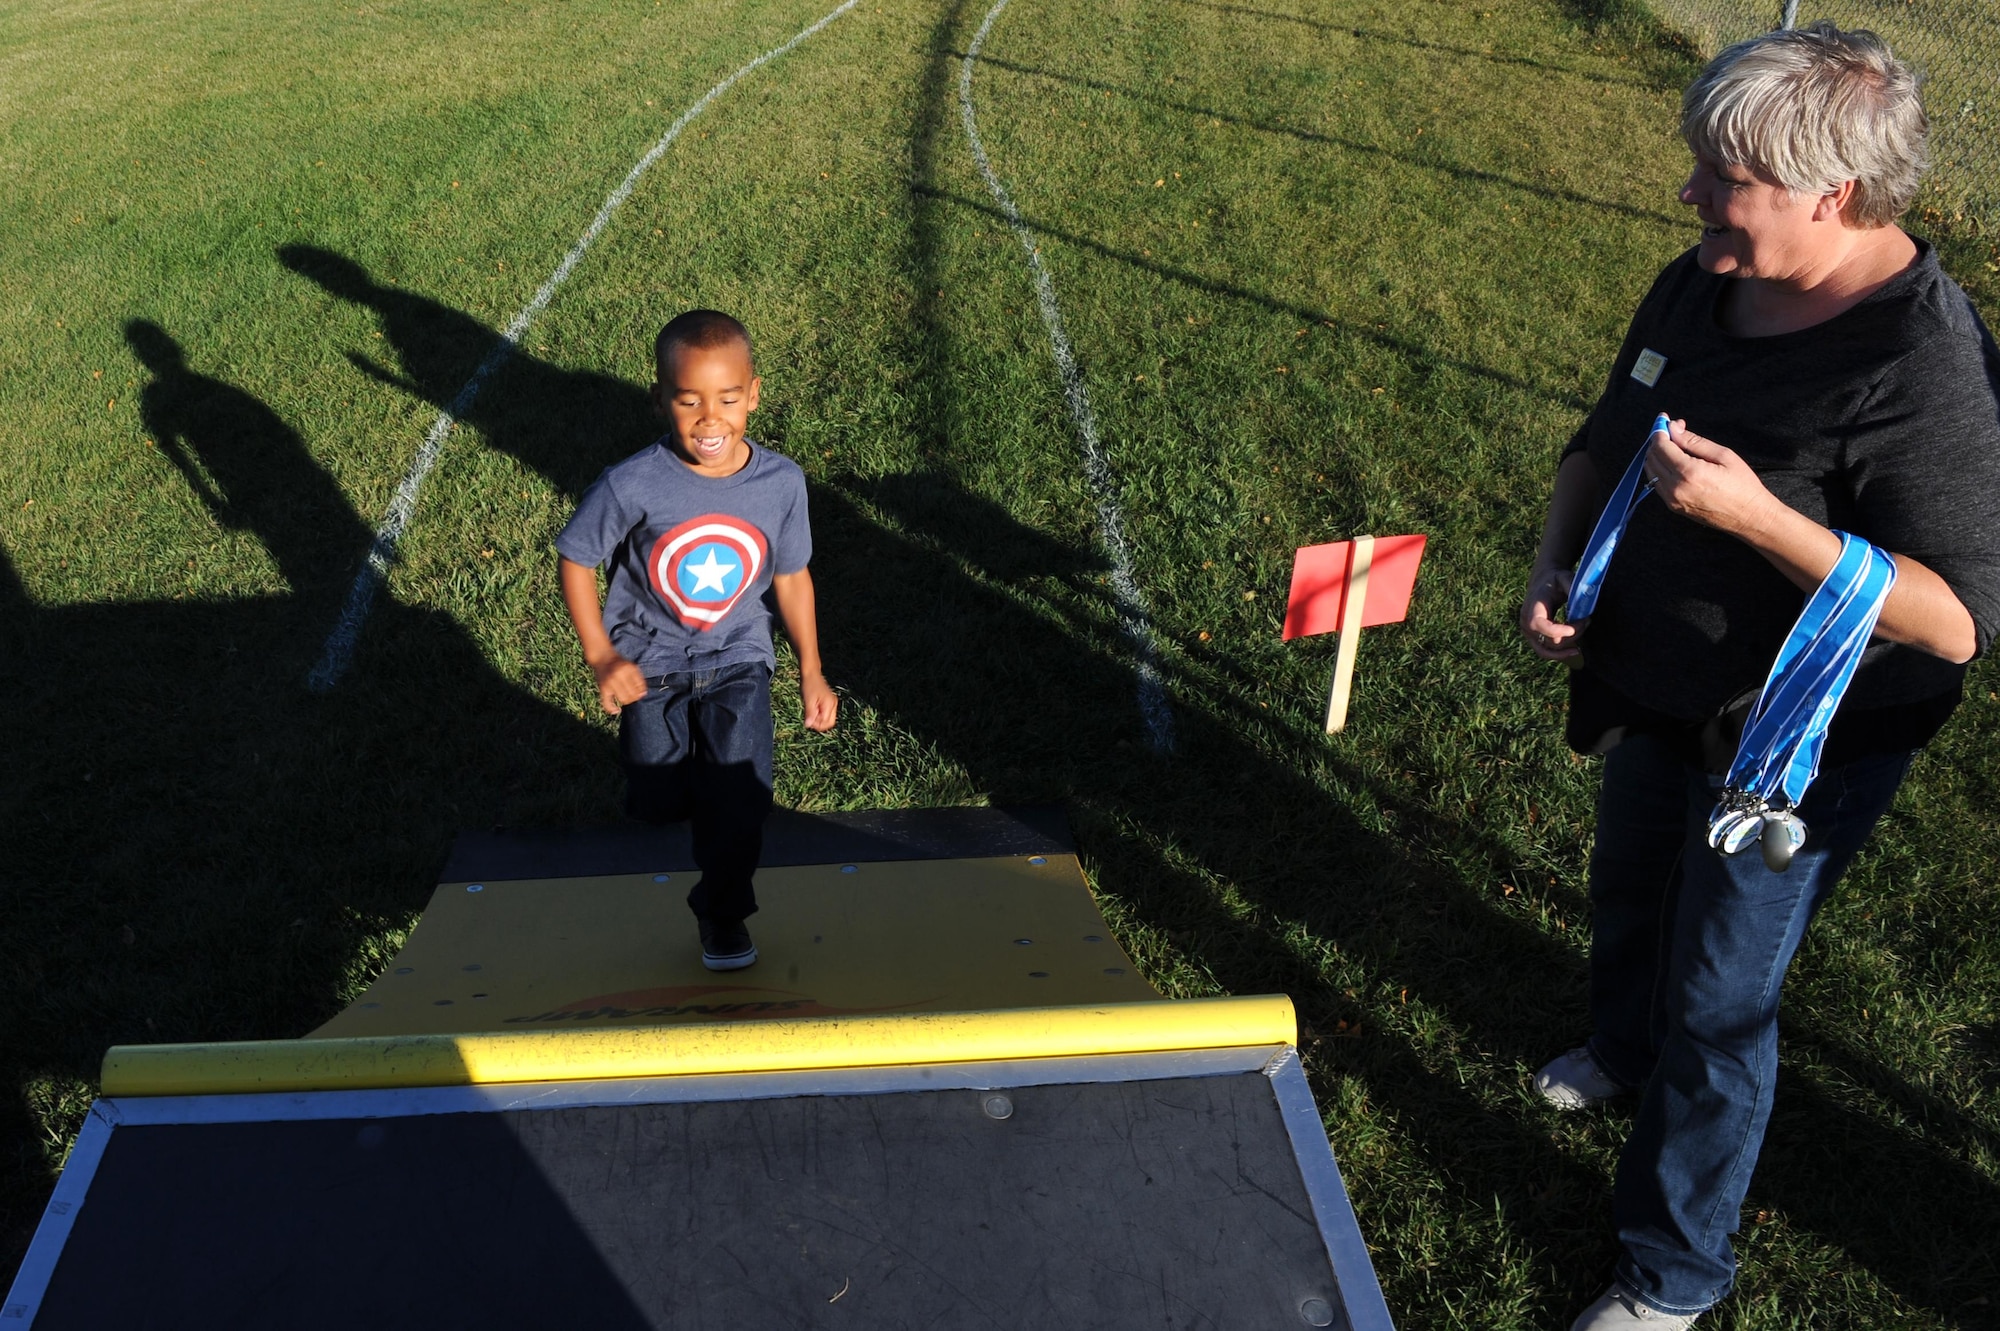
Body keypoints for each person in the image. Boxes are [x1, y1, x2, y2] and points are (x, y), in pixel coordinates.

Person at [1518, 22, 2000, 1330]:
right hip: (1653, 678)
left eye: (1719, 177)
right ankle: (1621, 1050)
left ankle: (1672, 1276)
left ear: (1832, 197)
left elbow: (1954, 621)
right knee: (1629, 883)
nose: (1688, 198)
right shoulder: (1700, 281)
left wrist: (1763, 523)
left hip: (1793, 747)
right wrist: (1560, 559)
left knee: (1721, 997)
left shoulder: (1925, 369)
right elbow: (1610, 432)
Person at [558, 310, 837, 971]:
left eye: (728, 400)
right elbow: (576, 559)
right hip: (650, 659)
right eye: (689, 402)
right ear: (660, 399)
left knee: (739, 797)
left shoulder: (780, 483)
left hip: (738, 655)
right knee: (657, 798)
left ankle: (723, 913)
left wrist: (811, 670)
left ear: (755, 394)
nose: (710, 421)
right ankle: (676, 789)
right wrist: (602, 655)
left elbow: (793, 577)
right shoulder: (633, 482)